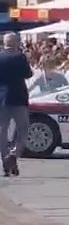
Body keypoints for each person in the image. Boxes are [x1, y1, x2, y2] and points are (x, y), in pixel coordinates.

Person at [0, 33, 34, 177]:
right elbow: (28, 74)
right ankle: (14, 155)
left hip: (2, 99)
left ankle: (5, 162)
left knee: (2, 130)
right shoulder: (20, 57)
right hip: (18, 98)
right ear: (16, 43)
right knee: (23, 129)